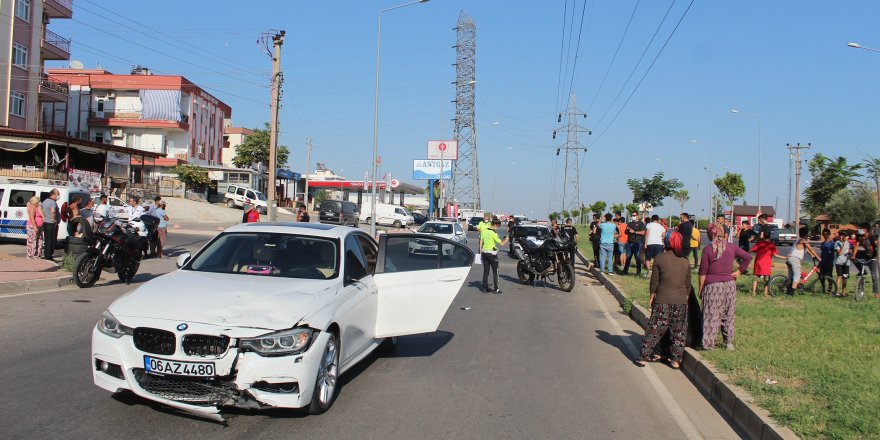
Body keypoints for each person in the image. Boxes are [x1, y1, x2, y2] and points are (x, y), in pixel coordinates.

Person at [635, 231, 691, 369]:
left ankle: (643, 357)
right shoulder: (685, 261)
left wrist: (652, 296)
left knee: (654, 329)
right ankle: (675, 360)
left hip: (663, 300)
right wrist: (685, 299)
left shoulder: (660, 258)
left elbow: (654, 281)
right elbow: (688, 284)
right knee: (678, 332)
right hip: (681, 301)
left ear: (666, 242)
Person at [698, 223, 753, 351]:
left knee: (711, 314)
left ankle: (709, 343)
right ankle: (729, 343)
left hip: (712, 286)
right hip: (729, 285)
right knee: (728, 313)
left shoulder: (708, 249)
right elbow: (748, 258)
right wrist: (738, 271)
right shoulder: (732, 247)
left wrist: (701, 288)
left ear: (710, 233)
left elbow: (703, 271)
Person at [750, 229, 785, 296]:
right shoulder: (771, 245)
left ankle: (753, 292)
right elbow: (775, 255)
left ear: (763, 236)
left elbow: (751, 250)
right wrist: (785, 257)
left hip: (758, 262)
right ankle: (765, 293)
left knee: (756, 277)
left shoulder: (759, 243)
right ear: (770, 236)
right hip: (766, 263)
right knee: (766, 278)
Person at [786, 227, 820, 294]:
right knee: (797, 276)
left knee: (791, 276)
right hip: (795, 259)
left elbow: (806, 250)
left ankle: (788, 290)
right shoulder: (803, 241)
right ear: (806, 234)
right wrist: (818, 258)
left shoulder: (798, 240)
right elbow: (811, 249)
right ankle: (791, 293)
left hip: (789, 259)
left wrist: (812, 256)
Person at [481, 219, 509, 294]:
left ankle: (485, 288)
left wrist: (480, 251)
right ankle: (496, 289)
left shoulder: (484, 230)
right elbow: (502, 244)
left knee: (486, 272)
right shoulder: (494, 233)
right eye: (498, 227)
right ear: (496, 225)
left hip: (484, 253)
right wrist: (507, 239)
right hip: (492, 255)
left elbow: (481, 241)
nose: (498, 228)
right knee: (495, 272)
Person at [623, 211, 646, 276]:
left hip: (638, 243)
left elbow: (643, 232)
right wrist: (627, 230)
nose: (633, 217)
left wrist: (634, 232)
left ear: (637, 216)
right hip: (629, 243)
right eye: (632, 215)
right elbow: (625, 232)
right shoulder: (630, 223)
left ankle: (638, 272)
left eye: (634, 215)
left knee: (637, 257)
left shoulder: (641, 224)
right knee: (628, 257)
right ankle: (625, 271)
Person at [41, 189, 60, 261]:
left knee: (47, 239)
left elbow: (40, 207)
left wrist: (43, 216)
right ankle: (49, 256)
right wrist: (54, 219)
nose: (58, 196)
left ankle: (47, 255)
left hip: (46, 222)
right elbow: (53, 211)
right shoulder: (52, 202)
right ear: (53, 194)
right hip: (51, 223)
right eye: (57, 194)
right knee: (52, 240)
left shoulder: (45, 201)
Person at [835, 230, 852, 296]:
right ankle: (837, 292)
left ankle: (844, 292)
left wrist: (850, 252)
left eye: (846, 236)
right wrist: (843, 244)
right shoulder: (837, 243)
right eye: (845, 236)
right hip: (839, 262)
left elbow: (848, 251)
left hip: (846, 262)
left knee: (845, 277)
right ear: (841, 236)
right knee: (839, 276)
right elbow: (839, 253)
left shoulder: (848, 243)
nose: (846, 237)